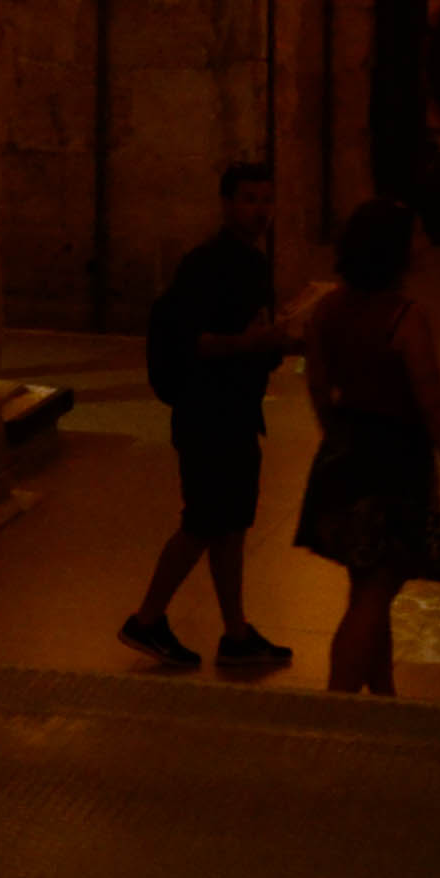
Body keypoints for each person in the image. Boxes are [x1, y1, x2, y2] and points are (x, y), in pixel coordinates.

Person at [294, 198, 440, 695]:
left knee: (365, 585)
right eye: (418, 234)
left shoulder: (328, 307)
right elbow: (433, 404)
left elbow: (316, 383)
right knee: (376, 591)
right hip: (394, 461)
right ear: (395, 250)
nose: (427, 243)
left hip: (345, 451)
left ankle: (383, 696)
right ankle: (340, 700)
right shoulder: (406, 319)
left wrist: (335, 434)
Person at [117, 164, 295, 677]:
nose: (260, 210)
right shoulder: (208, 265)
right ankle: (146, 619)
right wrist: (252, 344)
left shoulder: (252, 263)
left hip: (235, 410)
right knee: (203, 521)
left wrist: (271, 344)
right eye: (249, 199)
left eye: (267, 199)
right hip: (208, 411)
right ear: (225, 203)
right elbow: (191, 340)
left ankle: (237, 633)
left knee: (231, 524)